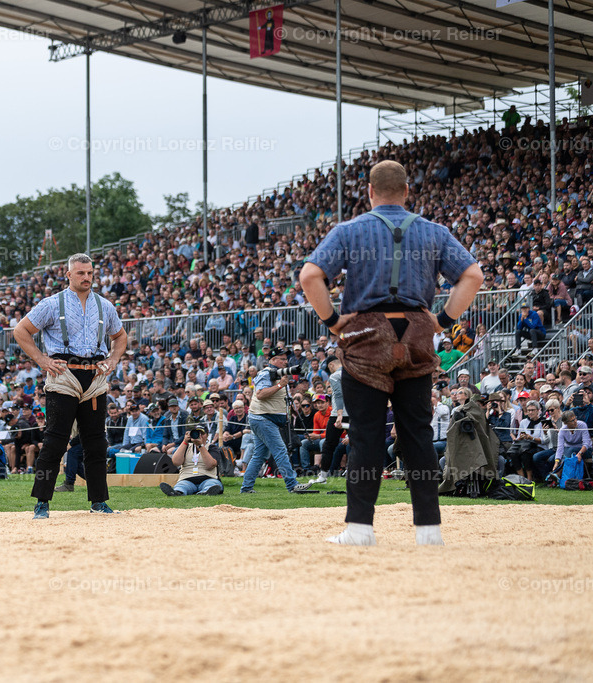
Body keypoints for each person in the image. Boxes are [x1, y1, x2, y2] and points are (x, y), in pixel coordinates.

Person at [301, 159, 482, 546]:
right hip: (416, 331)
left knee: (365, 434)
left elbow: (310, 275)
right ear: (406, 191)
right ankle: (429, 532)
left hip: (366, 332)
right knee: (417, 434)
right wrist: (443, 320)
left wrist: (333, 322)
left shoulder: (349, 230)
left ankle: (361, 529)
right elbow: (473, 275)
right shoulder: (434, 232)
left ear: (369, 191)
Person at [12, 253, 127, 519]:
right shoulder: (51, 304)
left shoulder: (105, 306)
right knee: (55, 441)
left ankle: (99, 501)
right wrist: (42, 360)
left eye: (89, 273)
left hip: (95, 377)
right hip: (64, 375)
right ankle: (42, 502)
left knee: (97, 443)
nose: (86, 277)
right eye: (81, 273)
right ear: (69, 275)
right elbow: (21, 331)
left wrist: (113, 359)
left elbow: (120, 336)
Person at [239, 348, 310, 494]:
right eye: (281, 359)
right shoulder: (265, 373)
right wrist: (280, 385)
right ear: (271, 360)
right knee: (280, 451)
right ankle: (292, 484)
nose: (285, 362)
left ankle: (246, 488)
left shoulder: (279, 374)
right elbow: (260, 394)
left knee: (259, 455)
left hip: (263, 417)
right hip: (263, 418)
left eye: (286, 359)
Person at [160, 425, 223, 496]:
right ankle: (177, 492)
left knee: (211, 484)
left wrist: (200, 446)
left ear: (207, 435)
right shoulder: (186, 446)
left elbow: (210, 465)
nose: (199, 436)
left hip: (208, 478)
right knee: (181, 486)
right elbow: (176, 462)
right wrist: (184, 441)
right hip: (187, 479)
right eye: (197, 433)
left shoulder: (212, 447)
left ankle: (206, 492)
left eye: (202, 434)